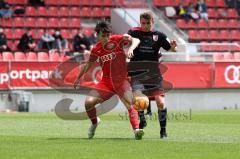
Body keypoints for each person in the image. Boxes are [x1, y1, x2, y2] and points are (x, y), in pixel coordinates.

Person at [73, 21, 144, 140]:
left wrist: (130, 49)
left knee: (130, 104)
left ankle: (136, 130)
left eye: (108, 35)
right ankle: (95, 123)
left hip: (122, 81)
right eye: (103, 35)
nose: (106, 38)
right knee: (88, 103)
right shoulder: (96, 49)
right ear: (97, 35)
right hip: (106, 83)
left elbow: (136, 40)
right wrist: (78, 78)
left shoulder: (117, 39)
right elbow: (87, 65)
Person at [127, 11, 177, 139]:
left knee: (160, 102)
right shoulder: (133, 32)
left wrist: (173, 47)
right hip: (137, 73)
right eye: (143, 23)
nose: (145, 26)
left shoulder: (159, 36)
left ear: (152, 22)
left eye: (148, 23)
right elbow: (124, 39)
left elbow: (171, 48)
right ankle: (142, 119)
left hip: (154, 74)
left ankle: (163, 131)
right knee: (138, 100)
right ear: (140, 22)